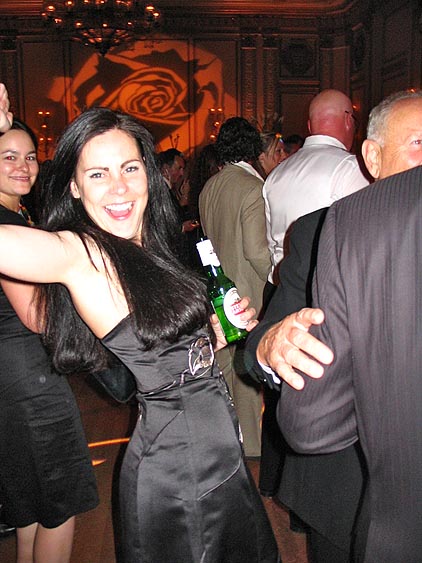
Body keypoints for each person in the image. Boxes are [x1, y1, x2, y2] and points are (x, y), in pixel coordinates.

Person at [0, 93, 280, 563]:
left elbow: (166, 359)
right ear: (74, 187)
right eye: (97, 174)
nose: (119, 188)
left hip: (220, 460)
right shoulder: (80, 255)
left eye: (130, 168)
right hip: (177, 475)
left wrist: (212, 335)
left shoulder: (150, 244)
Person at [247, 89, 422, 562]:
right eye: (418, 144)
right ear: (372, 157)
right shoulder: (324, 230)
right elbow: (265, 338)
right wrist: (270, 346)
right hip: (344, 487)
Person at [0, 113, 99, 563]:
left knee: (30, 507)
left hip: (13, 375)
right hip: (29, 379)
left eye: (30, 157)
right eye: (9, 157)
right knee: (60, 504)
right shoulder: (8, 222)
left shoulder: (16, 214)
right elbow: (37, 315)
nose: (23, 167)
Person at [199, 117, 271, 458]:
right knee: (246, 373)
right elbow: (257, 251)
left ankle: (227, 440)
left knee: (224, 371)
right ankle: (252, 446)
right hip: (246, 293)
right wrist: (278, 275)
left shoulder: (209, 187)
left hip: (216, 291)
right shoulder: (252, 187)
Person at [263, 89, 369, 286]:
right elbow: (363, 243)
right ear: (349, 120)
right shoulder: (351, 168)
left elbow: (272, 243)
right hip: (323, 290)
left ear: (310, 126)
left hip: (280, 288)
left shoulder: (276, 174)